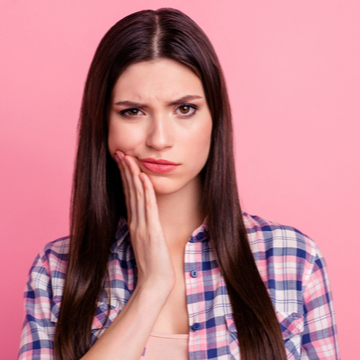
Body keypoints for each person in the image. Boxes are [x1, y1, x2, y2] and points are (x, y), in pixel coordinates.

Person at [18, 8, 340, 360]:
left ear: (215, 119)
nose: (159, 139)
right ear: (103, 125)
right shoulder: (56, 270)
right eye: (133, 111)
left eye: (184, 109)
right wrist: (152, 287)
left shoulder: (291, 258)